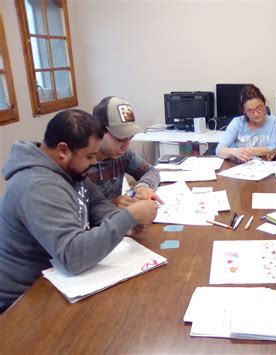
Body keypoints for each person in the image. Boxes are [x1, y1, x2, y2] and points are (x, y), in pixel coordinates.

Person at [0, 109, 159, 313]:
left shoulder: (69, 170)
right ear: (63, 150)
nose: (94, 162)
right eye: (90, 156)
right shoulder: (38, 187)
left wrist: (125, 223)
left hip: (58, 281)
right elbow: (73, 257)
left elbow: (96, 203)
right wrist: (130, 216)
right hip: (23, 300)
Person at [88, 96, 162, 208]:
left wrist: (142, 187)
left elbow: (151, 172)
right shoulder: (81, 163)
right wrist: (111, 205)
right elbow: (77, 213)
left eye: (130, 138)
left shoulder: (123, 154)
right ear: (98, 131)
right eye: (120, 139)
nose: (126, 146)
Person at [216, 84, 276, 162]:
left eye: (259, 108)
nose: (256, 114)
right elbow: (219, 150)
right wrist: (235, 152)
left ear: (264, 104)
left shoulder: (273, 122)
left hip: (262, 166)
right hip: (238, 166)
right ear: (244, 111)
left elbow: (274, 149)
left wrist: (246, 150)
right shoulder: (237, 123)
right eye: (250, 111)